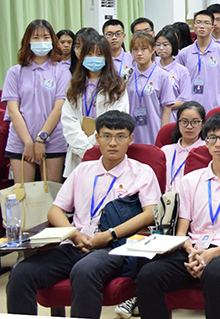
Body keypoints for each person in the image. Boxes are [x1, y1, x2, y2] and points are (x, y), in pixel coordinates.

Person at [6, 110, 160, 319]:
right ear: (96, 138)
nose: (113, 143)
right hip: (75, 244)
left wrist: (109, 234)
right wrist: (74, 234)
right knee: (21, 273)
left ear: (130, 139)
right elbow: (55, 211)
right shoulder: (83, 170)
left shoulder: (141, 172)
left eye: (120, 136)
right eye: (106, 136)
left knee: (84, 271)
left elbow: (150, 214)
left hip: (114, 247)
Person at [135, 113, 220, 319]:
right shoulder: (190, 180)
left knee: (214, 275)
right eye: (212, 138)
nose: (218, 144)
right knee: (148, 275)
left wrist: (212, 254)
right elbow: (181, 232)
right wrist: (192, 252)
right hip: (194, 249)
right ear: (206, 142)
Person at [2, 19, 71, 183]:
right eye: (36, 37)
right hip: (20, 141)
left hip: (53, 140)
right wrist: (28, 142)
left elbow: (59, 108)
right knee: (23, 194)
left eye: (46, 37)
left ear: (52, 41)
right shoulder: (15, 72)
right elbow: (13, 110)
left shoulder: (62, 71)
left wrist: (41, 139)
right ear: (27, 41)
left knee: (50, 193)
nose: (41, 42)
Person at [61, 35, 128, 177]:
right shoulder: (73, 85)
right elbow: (68, 120)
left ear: (107, 57)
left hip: (106, 149)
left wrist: (93, 145)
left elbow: (115, 119)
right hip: (78, 154)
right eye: (89, 54)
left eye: (99, 54)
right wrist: (84, 149)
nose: (94, 58)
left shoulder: (117, 86)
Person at [176, 10, 220, 112]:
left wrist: (219, 97)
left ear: (212, 27)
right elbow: (179, 80)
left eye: (206, 23)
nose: (202, 26)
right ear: (193, 26)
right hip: (190, 107)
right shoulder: (184, 53)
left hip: (215, 106)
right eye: (198, 22)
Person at [162, 102, 206, 193]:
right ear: (178, 123)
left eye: (195, 122)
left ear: (202, 123)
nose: (189, 127)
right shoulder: (165, 151)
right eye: (184, 122)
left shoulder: (208, 150)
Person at [154, 26, 190, 109]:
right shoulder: (153, 67)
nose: (161, 48)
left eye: (165, 45)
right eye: (158, 45)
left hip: (173, 113)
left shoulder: (182, 71)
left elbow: (185, 100)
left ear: (173, 46)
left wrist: (162, 104)